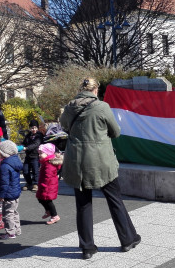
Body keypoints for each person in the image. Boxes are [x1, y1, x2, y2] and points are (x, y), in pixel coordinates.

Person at [60, 78, 141, 260]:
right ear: (95, 90)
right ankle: (128, 239)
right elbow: (116, 132)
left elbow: (64, 126)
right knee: (115, 200)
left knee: (83, 205)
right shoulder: (102, 107)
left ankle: (87, 248)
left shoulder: (69, 107)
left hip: (77, 161)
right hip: (100, 161)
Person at [0, 140, 23, 240]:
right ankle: (17, 229)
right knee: (14, 211)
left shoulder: (4, 166)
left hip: (8, 194)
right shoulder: (15, 162)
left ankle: (10, 232)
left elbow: (4, 183)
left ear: (4, 153)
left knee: (8, 214)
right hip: (15, 192)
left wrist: (1, 195)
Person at [35, 143, 63, 225]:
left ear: (48, 153)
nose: (39, 155)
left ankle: (54, 215)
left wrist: (44, 186)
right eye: (39, 153)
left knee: (47, 201)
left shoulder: (49, 164)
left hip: (48, 186)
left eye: (41, 153)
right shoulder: (45, 162)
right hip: (45, 185)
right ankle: (48, 211)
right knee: (40, 198)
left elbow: (48, 177)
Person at [22, 119, 43, 191]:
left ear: (37, 128)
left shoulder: (39, 135)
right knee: (25, 170)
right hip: (28, 156)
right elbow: (24, 143)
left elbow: (36, 144)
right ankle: (29, 183)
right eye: (32, 128)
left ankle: (35, 184)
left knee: (35, 171)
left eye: (35, 128)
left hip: (36, 156)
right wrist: (21, 147)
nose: (34, 129)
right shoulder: (28, 135)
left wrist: (27, 148)